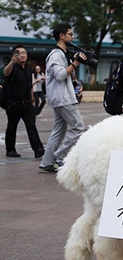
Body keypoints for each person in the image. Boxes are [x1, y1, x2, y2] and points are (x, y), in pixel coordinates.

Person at [39, 23, 86, 173]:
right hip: (63, 98)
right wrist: (76, 63)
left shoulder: (62, 54)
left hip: (61, 98)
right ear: (62, 35)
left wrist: (75, 83)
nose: (72, 37)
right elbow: (60, 75)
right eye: (70, 34)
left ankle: (47, 163)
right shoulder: (55, 54)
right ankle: (60, 157)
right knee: (78, 127)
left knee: (58, 130)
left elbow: (65, 75)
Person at [3, 45, 44, 158]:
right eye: (19, 53)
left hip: (27, 104)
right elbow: (6, 73)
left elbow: (29, 85)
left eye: (24, 53)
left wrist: (32, 99)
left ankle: (38, 149)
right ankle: (10, 149)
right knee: (12, 127)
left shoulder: (28, 68)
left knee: (31, 126)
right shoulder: (12, 67)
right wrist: (12, 62)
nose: (22, 55)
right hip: (14, 104)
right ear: (14, 55)